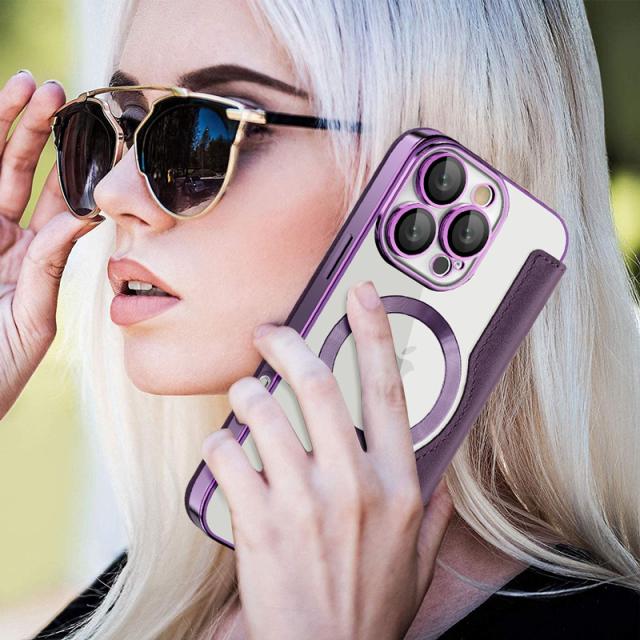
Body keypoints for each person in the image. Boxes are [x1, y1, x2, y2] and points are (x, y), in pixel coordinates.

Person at [1, 0, 638, 638]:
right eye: (118, 125)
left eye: (202, 131)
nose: (112, 193)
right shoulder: (131, 604)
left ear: (421, 173)